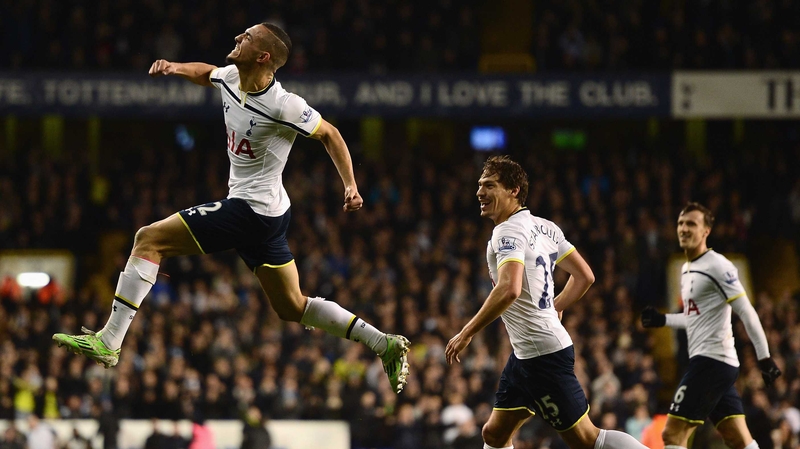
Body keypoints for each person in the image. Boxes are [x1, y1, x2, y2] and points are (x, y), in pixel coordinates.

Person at [52, 21, 409, 393]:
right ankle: (383, 343)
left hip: (250, 210)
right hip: (271, 214)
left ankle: (110, 341)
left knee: (149, 239)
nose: (238, 38)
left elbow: (330, 134)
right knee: (291, 306)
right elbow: (206, 73)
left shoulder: (284, 104)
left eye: (247, 37)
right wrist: (175, 67)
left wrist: (350, 185)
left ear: (263, 55)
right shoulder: (231, 78)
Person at [445, 155, 647, 449]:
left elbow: (509, 289)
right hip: (526, 355)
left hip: (543, 356)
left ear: (513, 190)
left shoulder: (507, 231)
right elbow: (585, 276)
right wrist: (556, 307)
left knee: (587, 439)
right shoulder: (546, 227)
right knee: (495, 433)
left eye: (489, 185)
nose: (479, 192)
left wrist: (467, 333)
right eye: (479, 185)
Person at [640, 202, 782, 449]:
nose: (684, 229)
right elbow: (695, 318)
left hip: (711, 362)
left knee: (672, 434)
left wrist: (765, 358)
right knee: (738, 438)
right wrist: (663, 320)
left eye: (691, 224)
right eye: (681, 223)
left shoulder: (719, 265)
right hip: (714, 364)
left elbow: (747, 312)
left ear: (706, 230)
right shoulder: (686, 270)